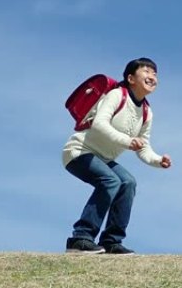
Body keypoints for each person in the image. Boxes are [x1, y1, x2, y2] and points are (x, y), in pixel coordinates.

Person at [62, 57, 172, 254]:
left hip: (102, 158)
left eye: (155, 73)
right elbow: (99, 124)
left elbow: (143, 148)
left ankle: (111, 241)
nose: (152, 76)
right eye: (146, 71)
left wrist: (157, 160)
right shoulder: (116, 95)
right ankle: (80, 238)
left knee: (128, 182)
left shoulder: (146, 112)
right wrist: (127, 141)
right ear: (130, 78)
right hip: (78, 151)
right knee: (111, 181)